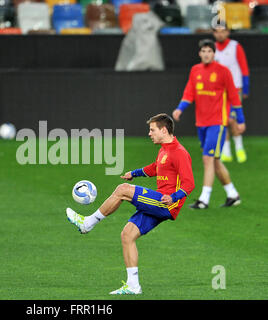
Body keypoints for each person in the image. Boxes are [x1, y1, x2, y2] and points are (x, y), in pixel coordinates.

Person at [66, 113, 195, 295]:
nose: (149, 133)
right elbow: (155, 168)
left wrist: (173, 197)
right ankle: (133, 286)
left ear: (164, 130)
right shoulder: (164, 150)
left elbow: (190, 183)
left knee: (123, 189)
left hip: (166, 203)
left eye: (152, 130)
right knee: (127, 235)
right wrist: (134, 173)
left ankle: (87, 223)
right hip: (161, 201)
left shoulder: (179, 153)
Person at [172, 39, 246, 209]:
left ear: (214, 54)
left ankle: (204, 199)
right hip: (201, 123)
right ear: (199, 53)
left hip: (218, 123)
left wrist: (240, 120)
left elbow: (234, 97)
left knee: (207, 158)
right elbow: (189, 92)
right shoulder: (195, 70)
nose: (206, 54)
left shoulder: (223, 71)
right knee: (215, 161)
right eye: (203, 51)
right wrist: (180, 109)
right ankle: (233, 194)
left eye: (209, 51)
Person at [213, 25, 250, 163]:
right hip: (218, 91)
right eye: (217, 32)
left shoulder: (235, 46)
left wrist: (245, 87)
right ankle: (226, 149)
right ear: (214, 33)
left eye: (223, 31)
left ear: (227, 32)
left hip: (235, 89)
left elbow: (244, 68)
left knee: (232, 119)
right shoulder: (212, 49)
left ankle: (239, 147)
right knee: (223, 120)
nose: (220, 34)